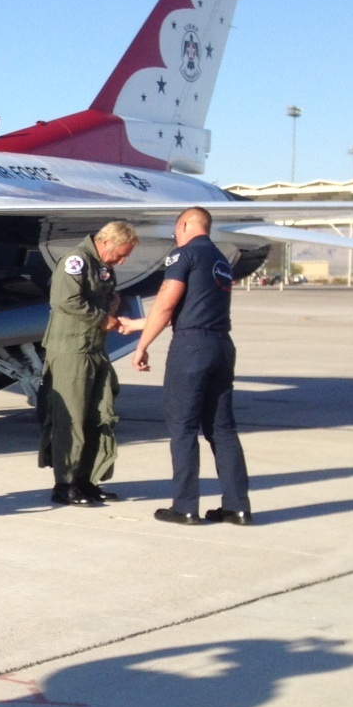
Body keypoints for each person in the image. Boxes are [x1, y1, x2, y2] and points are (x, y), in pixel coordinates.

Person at [131, 206, 252, 526]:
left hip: (191, 348)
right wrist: (137, 325)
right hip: (221, 346)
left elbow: (167, 302)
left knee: (182, 428)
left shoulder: (182, 255)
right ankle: (237, 506)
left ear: (184, 225)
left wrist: (142, 345)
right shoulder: (221, 261)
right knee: (222, 430)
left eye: (176, 229)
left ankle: (185, 505)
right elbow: (189, 307)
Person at [38, 221, 139, 506]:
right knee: (71, 418)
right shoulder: (76, 261)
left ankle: (86, 480)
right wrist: (102, 318)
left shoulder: (100, 266)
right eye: (121, 254)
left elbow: (99, 293)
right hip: (72, 350)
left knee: (97, 414)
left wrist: (114, 300)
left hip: (94, 349)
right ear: (106, 242)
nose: (122, 260)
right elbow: (65, 299)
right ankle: (65, 484)